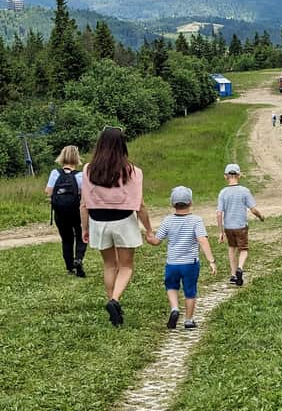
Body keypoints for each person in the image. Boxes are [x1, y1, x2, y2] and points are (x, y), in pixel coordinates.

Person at [80, 127, 153, 327]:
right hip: (123, 221)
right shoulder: (132, 171)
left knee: (109, 264)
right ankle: (115, 300)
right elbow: (140, 205)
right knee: (126, 266)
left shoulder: (88, 170)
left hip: (98, 221)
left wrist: (84, 228)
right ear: (122, 144)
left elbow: (84, 203)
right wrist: (148, 229)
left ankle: (112, 302)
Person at [146, 186, 217, 329]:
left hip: (172, 263)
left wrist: (149, 237)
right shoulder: (196, 220)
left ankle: (174, 309)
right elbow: (202, 240)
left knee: (171, 286)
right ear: (190, 202)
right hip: (190, 264)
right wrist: (211, 261)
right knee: (190, 291)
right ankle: (189, 320)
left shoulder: (168, 220)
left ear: (172, 203)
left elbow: (156, 241)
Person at [217, 163, 264, 286]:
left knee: (231, 248)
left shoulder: (223, 192)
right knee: (243, 249)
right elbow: (253, 209)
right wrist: (260, 216)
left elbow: (219, 213)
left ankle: (233, 275)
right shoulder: (244, 191)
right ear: (239, 175)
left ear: (225, 176)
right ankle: (240, 268)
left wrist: (220, 232)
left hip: (228, 227)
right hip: (241, 226)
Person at [45, 145, 86, 277]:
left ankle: (69, 267)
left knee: (66, 239)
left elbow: (48, 192)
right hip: (77, 212)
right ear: (77, 158)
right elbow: (85, 194)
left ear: (62, 157)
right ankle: (78, 259)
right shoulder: (80, 175)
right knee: (81, 236)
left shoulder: (55, 173)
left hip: (60, 212)